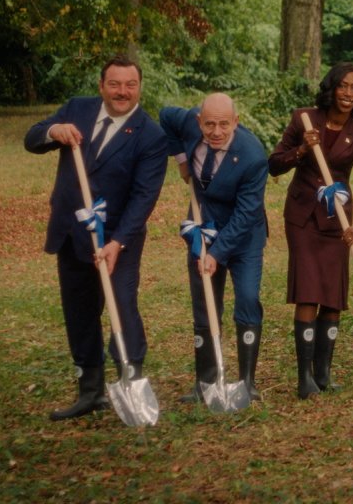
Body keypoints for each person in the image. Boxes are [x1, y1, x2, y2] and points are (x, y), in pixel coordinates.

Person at [24, 55, 168, 420]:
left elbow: (143, 197)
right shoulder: (78, 109)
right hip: (72, 232)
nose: (122, 92)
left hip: (119, 238)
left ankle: (129, 376)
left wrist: (117, 242)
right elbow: (32, 139)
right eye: (115, 84)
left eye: (130, 85)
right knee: (79, 312)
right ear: (102, 85)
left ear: (139, 87)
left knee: (121, 303)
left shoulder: (150, 136)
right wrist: (52, 132)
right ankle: (89, 391)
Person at [269, 63, 353, 399]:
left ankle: (323, 373)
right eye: (343, 86)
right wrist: (302, 150)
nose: (349, 94)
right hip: (304, 217)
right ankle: (304, 377)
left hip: (338, 221)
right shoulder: (304, 119)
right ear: (331, 88)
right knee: (309, 291)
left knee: (333, 296)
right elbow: (274, 164)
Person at [160, 94, 268, 401]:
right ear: (199, 122)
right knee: (204, 304)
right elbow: (166, 114)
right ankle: (205, 382)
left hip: (244, 235)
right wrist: (182, 160)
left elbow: (246, 213)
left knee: (247, 297)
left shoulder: (253, 156)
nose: (216, 131)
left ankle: (247, 382)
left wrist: (218, 254)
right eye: (209, 124)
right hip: (203, 225)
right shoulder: (189, 124)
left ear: (236, 121)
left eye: (224, 124)